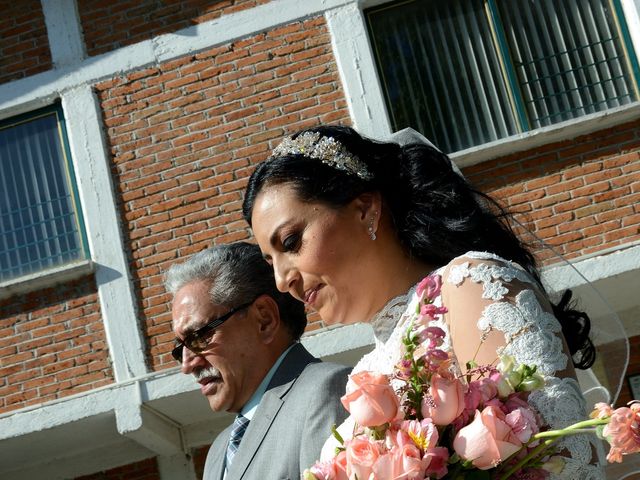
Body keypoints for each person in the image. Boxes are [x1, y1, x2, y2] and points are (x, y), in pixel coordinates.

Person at [242, 126, 605, 478]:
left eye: (290, 243)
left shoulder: (470, 285)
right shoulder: (365, 377)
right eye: (270, 262)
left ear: (365, 208)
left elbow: (566, 465)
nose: (282, 280)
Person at [164, 242, 350, 480]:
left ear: (264, 319)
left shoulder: (327, 392)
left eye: (199, 335)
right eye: (180, 347)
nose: (187, 364)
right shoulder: (218, 452)